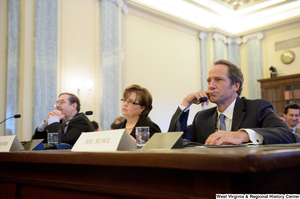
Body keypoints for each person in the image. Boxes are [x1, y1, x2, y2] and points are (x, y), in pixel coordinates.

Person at [168, 59, 295, 145]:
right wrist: (185, 104)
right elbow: (173, 143)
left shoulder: (257, 108)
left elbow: (287, 135)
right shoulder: (202, 117)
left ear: (235, 86)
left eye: (218, 80)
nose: (211, 86)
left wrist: (243, 135)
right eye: (209, 80)